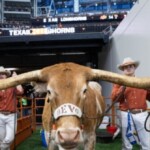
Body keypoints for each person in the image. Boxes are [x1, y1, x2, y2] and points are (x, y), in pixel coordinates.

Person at [111, 57, 150, 150]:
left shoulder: (143, 82)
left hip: (142, 114)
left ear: (134, 67)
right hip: (125, 114)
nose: (128, 68)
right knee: (126, 144)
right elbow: (114, 98)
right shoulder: (118, 83)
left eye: (130, 66)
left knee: (146, 143)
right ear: (123, 70)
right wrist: (122, 86)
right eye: (125, 67)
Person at [0, 66, 24, 150]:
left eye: (3, 74)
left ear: (6, 76)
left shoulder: (12, 85)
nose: (1, 75)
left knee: (9, 138)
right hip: (0, 115)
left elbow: (20, 91)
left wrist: (16, 79)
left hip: (11, 116)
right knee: (2, 139)